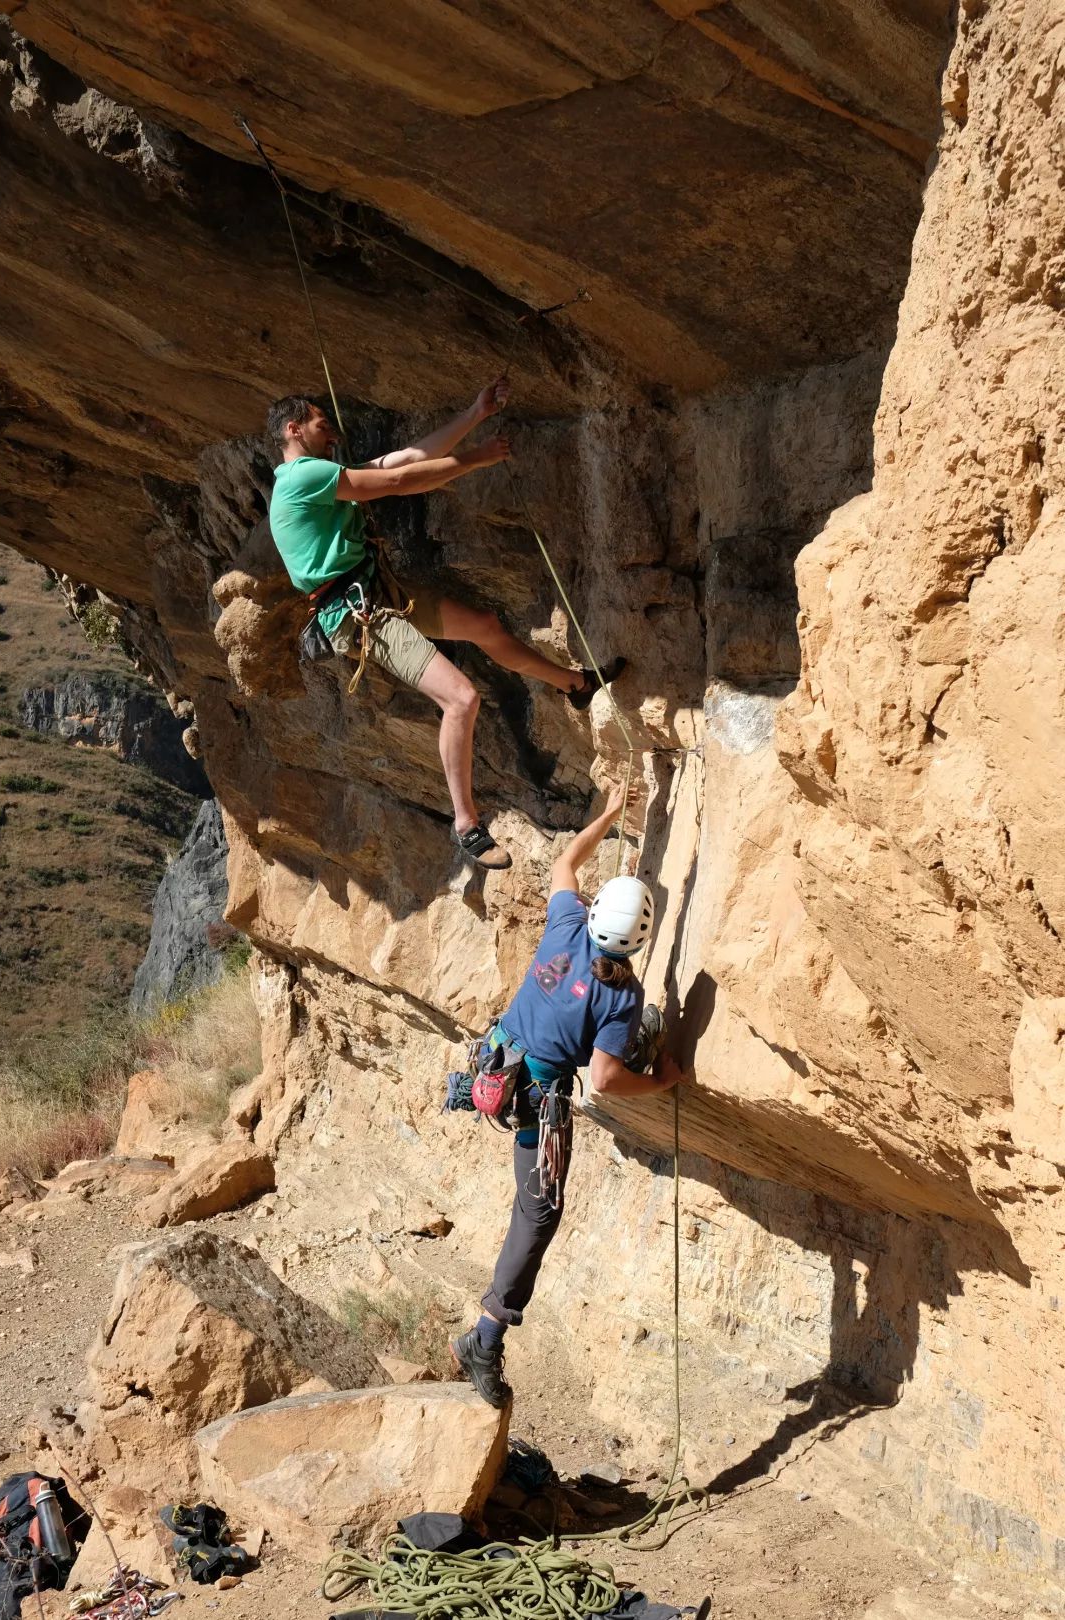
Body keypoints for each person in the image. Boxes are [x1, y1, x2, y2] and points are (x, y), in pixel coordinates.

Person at [266, 381, 626, 872]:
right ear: (293, 429)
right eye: (321, 425)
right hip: (361, 613)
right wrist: (476, 459)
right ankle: (466, 825)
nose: (332, 434)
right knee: (462, 697)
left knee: (483, 625)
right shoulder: (301, 477)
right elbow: (396, 484)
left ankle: (576, 685)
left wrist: (473, 414)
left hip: (376, 591)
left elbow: (400, 461)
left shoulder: (315, 473)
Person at [450, 781, 685, 1408]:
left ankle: (484, 1335)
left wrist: (607, 814)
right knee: (539, 1214)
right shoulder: (622, 997)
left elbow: (563, 865)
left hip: (497, 1063)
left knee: (533, 1210)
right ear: (639, 942)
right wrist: (661, 1081)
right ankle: (484, 1338)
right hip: (538, 1101)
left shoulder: (565, 927)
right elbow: (605, 1080)